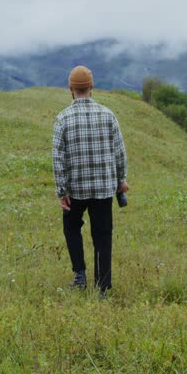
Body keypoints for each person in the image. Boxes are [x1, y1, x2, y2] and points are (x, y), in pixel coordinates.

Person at [52, 65, 129, 295]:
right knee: (102, 236)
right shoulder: (108, 115)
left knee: (71, 228)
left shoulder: (62, 119)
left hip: (75, 190)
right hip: (104, 189)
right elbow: (119, 152)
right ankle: (102, 287)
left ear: (71, 89)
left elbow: (58, 158)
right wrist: (121, 180)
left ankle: (79, 275)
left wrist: (61, 191)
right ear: (91, 87)